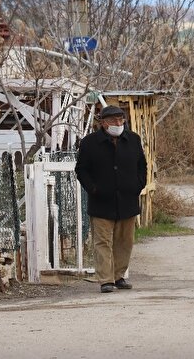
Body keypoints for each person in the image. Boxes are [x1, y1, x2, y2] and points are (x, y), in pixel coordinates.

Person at [75, 105, 148, 292]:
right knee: (102, 242)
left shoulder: (133, 140)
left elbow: (142, 165)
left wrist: (138, 185)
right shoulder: (90, 143)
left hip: (127, 200)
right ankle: (106, 279)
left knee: (125, 241)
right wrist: (93, 189)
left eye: (121, 119)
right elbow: (82, 170)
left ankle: (118, 276)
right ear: (103, 122)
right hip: (101, 201)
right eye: (114, 120)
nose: (118, 123)